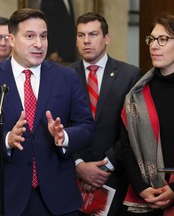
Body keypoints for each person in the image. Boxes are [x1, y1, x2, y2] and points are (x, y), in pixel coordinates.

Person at [0, 8, 96, 216]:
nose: (39, 44)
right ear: (11, 39)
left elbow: (88, 128)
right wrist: (7, 139)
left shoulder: (66, 77)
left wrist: (65, 137)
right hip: (6, 196)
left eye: (43, 36)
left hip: (58, 197)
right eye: (30, 36)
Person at [69, 12, 142, 215]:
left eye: (93, 34)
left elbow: (132, 129)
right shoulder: (64, 75)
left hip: (115, 177)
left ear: (106, 38)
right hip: (72, 179)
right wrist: (79, 164)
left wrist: (105, 166)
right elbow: (60, 126)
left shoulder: (130, 75)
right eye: (81, 35)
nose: (86, 41)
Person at [119, 12, 174, 215]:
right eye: (151, 39)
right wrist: (142, 188)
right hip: (145, 195)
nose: (154, 45)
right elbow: (126, 146)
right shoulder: (137, 92)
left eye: (163, 39)